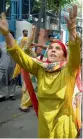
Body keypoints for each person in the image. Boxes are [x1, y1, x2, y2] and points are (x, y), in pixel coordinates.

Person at [0, 5, 82, 138]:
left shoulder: (69, 70)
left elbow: (75, 53)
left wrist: (72, 29)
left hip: (64, 130)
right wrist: (6, 34)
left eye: (57, 48)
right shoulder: (40, 68)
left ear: (64, 56)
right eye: (50, 48)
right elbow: (19, 55)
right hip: (44, 128)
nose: (53, 49)